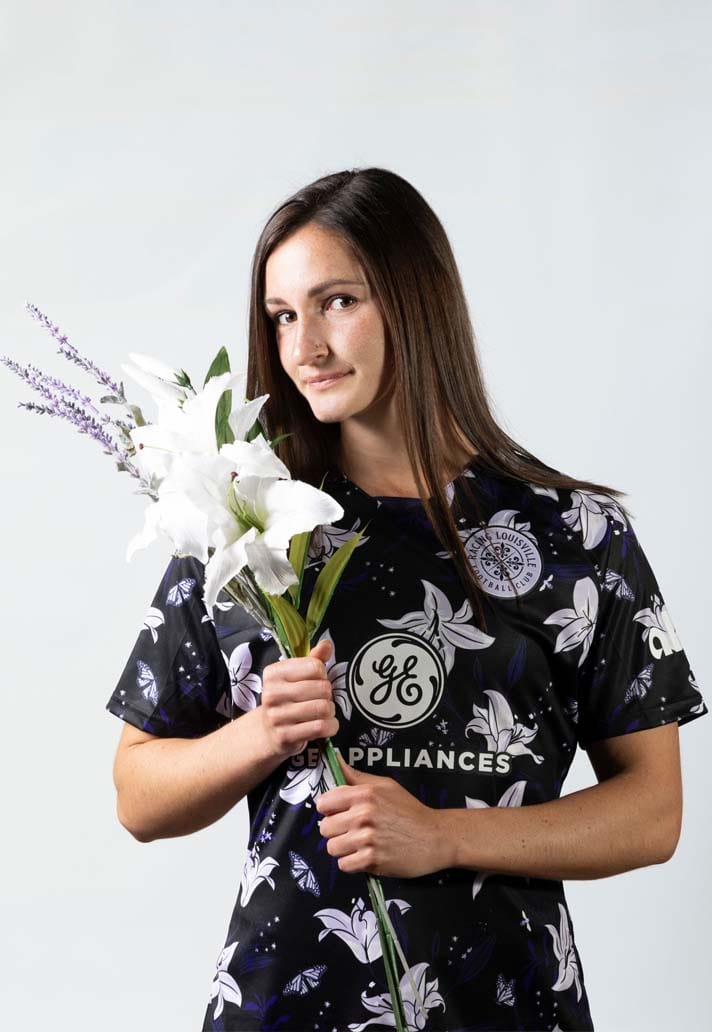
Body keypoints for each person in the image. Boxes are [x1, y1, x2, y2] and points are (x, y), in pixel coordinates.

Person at [106, 167, 708, 1032]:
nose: (305, 347)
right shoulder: (244, 525)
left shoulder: (575, 536)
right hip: (285, 1007)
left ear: (416, 299)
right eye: (282, 316)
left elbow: (653, 812)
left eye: (337, 302)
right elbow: (137, 794)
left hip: (506, 1005)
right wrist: (262, 732)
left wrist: (446, 836)